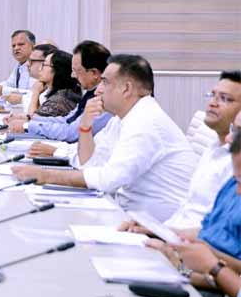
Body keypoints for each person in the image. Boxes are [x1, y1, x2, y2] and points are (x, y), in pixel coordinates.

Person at [12, 54, 196, 221]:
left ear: (126, 89)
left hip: (155, 226)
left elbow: (108, 179)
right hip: (126, 213)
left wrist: (45, 175)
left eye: (105, 82)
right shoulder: (121, 118)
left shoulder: (145, 122)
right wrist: (85, 127)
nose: (98, 90)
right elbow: (91, 164)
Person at [122, 74, 241, 231]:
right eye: (213, 95)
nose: (213, 103)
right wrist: (154, 229)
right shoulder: (213, 147)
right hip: (174, 234)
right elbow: (187, 210)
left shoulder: (234, 163)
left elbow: (220, 232)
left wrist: (161, 232)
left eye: (225, 99)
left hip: (191, 242)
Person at [144, 131, 241, 297]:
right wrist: (162, 234)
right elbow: (207, 235)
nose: (230, 138)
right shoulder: (231, 184)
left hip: (219, 294)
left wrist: (209, 266)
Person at [15, 40, 113, 148]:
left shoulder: (104, 100)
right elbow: (68, 119)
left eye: (76, 71)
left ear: (94, 73)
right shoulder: (90, 93)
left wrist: (28, 125)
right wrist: (30, 120)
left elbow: (72, 133)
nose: (73, 75)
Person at [25, 50, 81, 117]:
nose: (40, 69)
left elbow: (32, 120)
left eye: (44, 65)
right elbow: (40, 113)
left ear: (57, 70)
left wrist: (35, 93)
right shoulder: (65, 93)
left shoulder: (59, 100)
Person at [0, 30, 35, 96]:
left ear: (33, 46)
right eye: (13, 46)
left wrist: (3, 90)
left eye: (21, 44)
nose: (16, 48)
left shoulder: (38, 66)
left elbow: (32, 94)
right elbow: (9, 84)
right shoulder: (19, 65)